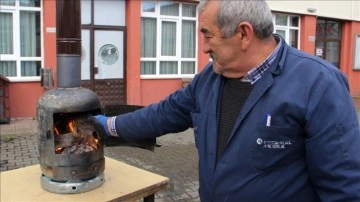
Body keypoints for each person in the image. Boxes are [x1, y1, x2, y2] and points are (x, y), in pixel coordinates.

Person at [94, 0, 360, 201]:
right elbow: (163, 114)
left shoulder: (318, 83)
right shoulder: (209, 79)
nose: (204, 47)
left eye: (208, 35)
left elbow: (343, 187)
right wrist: (108, 125)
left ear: (243, 34)